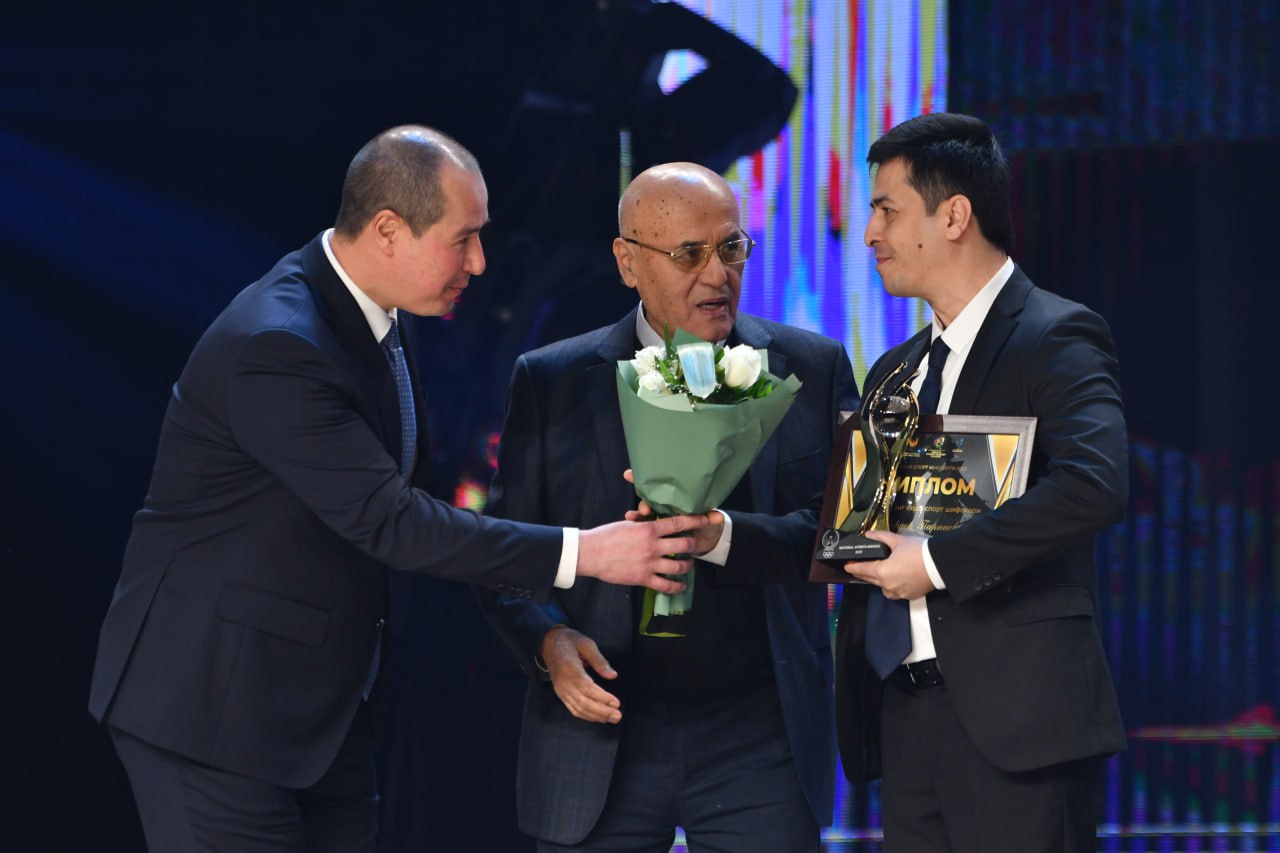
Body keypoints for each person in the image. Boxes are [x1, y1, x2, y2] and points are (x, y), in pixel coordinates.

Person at [88, 125, 710, 853]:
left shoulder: (378, 314)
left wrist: (541, 619)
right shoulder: (279, 344)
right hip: (214, 712)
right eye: (463, 239)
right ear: (388, 230)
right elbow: (392, 521)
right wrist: (590, 552)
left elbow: (422, 503)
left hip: (320, 712)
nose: (479, 262)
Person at [477, 162, 858, 853]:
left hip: (760, 735)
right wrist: (548, 642)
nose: (718, 275)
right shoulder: (551, 380)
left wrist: (723, 536)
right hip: (602, 729)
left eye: (732, 247)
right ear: (628, 262)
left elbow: (845, 539)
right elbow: (507, 559)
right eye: (689, 254)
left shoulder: (813, 364)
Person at [838, 112, 1127, 849]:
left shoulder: (1055, 335)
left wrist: (935, 562)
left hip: (1020, 724)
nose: (869, 234)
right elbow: (855, 530)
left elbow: (1094, 484)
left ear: (954, 216)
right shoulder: (894, 370)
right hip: (906, 717)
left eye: (887, 210)